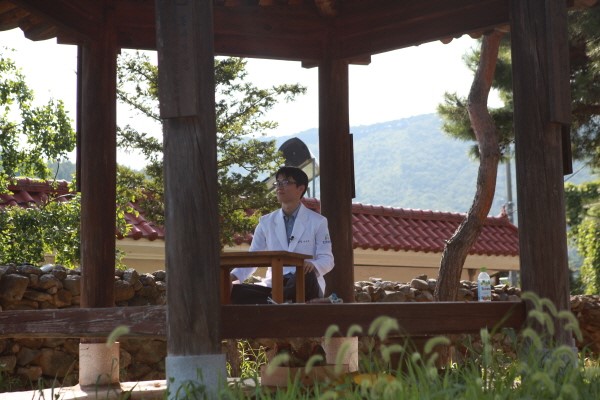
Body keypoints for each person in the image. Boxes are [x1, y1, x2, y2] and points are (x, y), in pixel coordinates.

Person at [230, 166, 334, 303]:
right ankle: (280, 301)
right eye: (278, 182)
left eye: (286, 182)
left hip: (303, 281)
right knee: (236, 291)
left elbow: (327, 259)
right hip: (275, 284)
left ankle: (275, 301)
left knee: (305, 276)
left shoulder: (318, 221)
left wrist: (313, 265)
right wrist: (232, 277)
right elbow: (253, 259)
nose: (279, 186)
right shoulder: (265, 222)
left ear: (300, 189)